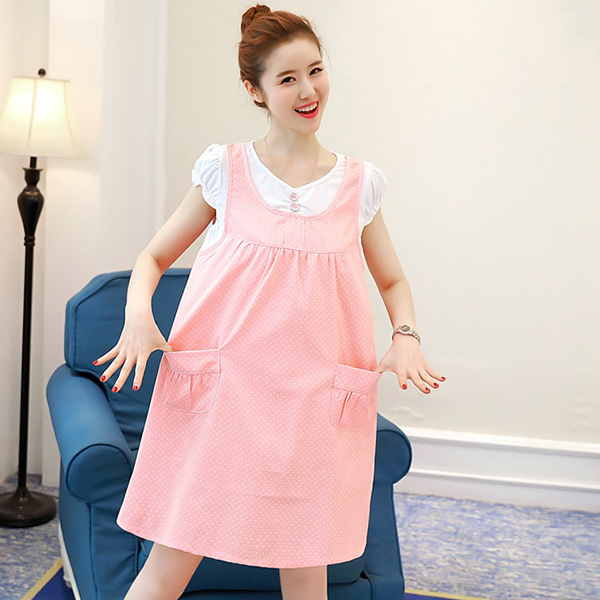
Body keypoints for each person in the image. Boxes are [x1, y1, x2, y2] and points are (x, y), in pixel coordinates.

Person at [93, 5, 445, 600]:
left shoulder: (359, 184)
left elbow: (392, 282)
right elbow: (153, 257)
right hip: (224, 397)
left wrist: (405, 336)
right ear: (254, 90)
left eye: (315, 70)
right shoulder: (225, 171)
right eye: (287, 79)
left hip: (313, 406)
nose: (308, 91)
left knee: (306, 573)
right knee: (168, 566)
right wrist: (137, 318)